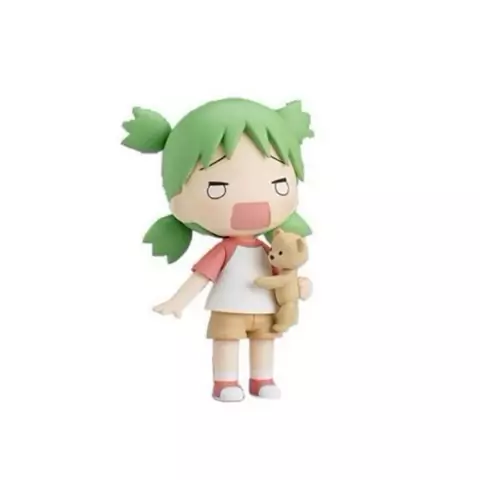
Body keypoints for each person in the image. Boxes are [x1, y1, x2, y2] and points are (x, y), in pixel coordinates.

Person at [122, 97, 314, 402]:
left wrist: (300, 285)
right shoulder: (226, 250)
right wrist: (178, 301)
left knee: (265, 342)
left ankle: (262, 379)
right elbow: (202, 276)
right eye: (217, 188)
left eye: (279, 184)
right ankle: (225, 382)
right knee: (226, 342)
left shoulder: (271, 248)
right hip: (229, 307)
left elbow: (284, 272)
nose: (253, 204)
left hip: (265, 307)